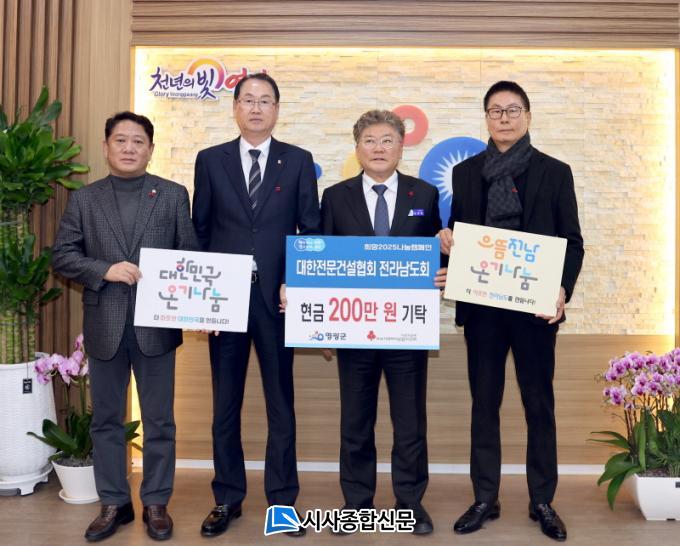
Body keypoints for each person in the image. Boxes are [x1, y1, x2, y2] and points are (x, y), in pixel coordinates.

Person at [439, 81, 584, 542]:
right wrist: (447, 243)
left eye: (513, 109)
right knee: (484, 404)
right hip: (483, 310)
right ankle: (485, 497)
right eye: (496, 110)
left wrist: (562, 289)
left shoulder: (554, 172)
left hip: (535, 309)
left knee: (538, 404)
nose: (504, 118)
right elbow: (460, 234)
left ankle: (542, 500)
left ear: (527, 116)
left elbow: (572, 242)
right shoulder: (466, 173)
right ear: (486, 117)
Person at [52, 111, 199, 542]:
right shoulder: (85, 199)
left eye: (138, 141)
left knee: (160, 421)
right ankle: (114, 503)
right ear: (106, 147)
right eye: (121, 140)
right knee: (106, 422)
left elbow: (189, 256)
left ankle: (155, 503)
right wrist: (105, 269)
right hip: (106, 325)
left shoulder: (172, 195)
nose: (130, 148)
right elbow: (62, 255)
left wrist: (201, 310)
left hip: (158, 328)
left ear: (150, 149)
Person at [192, 73, 320, 537]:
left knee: (280, 405)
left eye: (266, 101)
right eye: (248, 100)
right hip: (224, 301)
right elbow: (200, 231)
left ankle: (282, 503)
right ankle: (227, 497)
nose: (256, 108)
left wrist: (294, 282)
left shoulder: (298, 160)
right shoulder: (211, 160)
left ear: (277, 110)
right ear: (235, 108)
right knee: (224, 405)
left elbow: (311, 231)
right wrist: (201, 302)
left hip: (276, 302)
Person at [320, 109, 442, 535]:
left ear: (401, 146)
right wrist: (324, 327)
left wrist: (444, 266)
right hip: (354, 330)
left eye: (387, 140)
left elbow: (438, 251)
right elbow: (323, 262)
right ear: (357, 148)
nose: (378, 148)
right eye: (369, 140)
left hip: (406, 330)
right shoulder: (334, 197)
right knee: (355, 423)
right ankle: (356, 504)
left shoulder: (424, 195)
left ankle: (410, 503)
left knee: (410, 424)